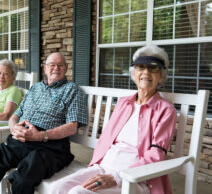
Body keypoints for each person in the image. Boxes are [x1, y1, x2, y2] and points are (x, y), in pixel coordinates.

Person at [49, 45, 177, 194]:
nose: (146, 72)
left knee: (78, 192)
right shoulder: (124, 103)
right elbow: (106, 139)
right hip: (103, 168)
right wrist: (96, 168)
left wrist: (116, 177)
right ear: (134, 73)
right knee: (57, 188)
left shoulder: (166, 110)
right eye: (140, 67)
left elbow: (157, 155)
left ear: (161, 76)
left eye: (153, 68)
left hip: (136, 179)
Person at [0, 52, 88, 194]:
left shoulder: (72, 90)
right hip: (20, 140)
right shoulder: (35, 88)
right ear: (44, 68)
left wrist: (41, 135)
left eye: (60, 65)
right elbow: (15, 116)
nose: (56, 68)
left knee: (23, 178)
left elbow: (72, 127)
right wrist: (14, 128)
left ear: (66, 68)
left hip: (50, 147)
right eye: (52, 65)